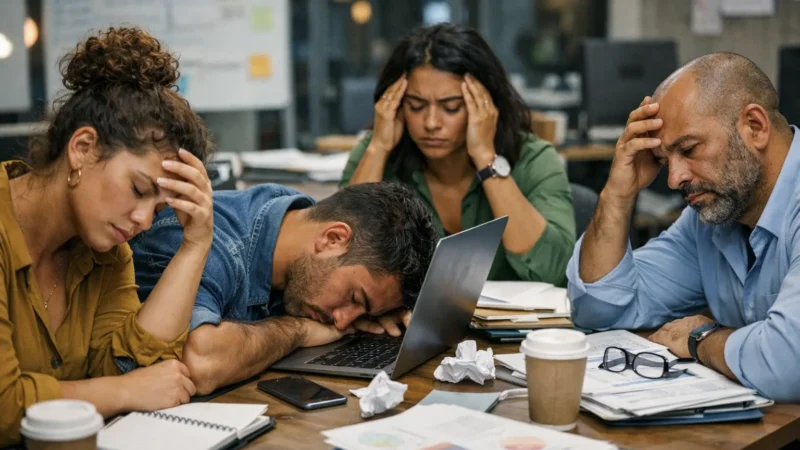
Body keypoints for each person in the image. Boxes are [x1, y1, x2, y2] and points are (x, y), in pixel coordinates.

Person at [0, 27, 214, 445]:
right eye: (139, 189)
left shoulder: (108, 252)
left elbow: (131, 367)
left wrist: (195, 245)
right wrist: (122, 393)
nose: (143, 221)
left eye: (159, 209)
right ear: (82, 148)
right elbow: (5, 406)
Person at [566, 53, 800, 402]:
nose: (675, 179)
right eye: (664, 161)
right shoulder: (711, 218)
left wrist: (702, 339)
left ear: (755, 127)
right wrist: (618, 194)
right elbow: (601, 309)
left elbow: (787, 364)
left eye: (689, 149)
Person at [131, 182, 438, 395]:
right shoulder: (194, 241)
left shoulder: (300, 221)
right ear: (332, 239)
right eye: (354, 297)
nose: (342, 321)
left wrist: (381, 312)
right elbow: (199, 362)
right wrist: (298, 331)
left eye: (361, 311)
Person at [340, 24, 575, 285]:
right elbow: (337, 258)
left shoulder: (534, 158)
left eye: (451, 108)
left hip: (517, 327)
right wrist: (378, 148)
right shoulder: (377, 153)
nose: (431, 123)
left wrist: (486, 159)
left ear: (486, 105)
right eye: (415, 106)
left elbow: (555, 270)